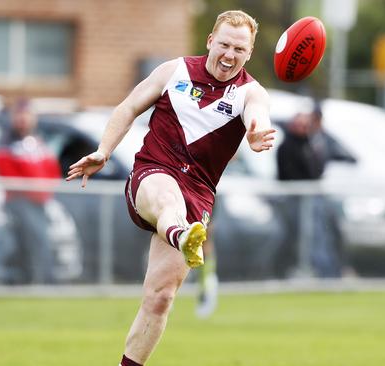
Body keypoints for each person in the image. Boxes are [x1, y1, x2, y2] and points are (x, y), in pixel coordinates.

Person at [66, 10, 274, 366]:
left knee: (160, 297)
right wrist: (104, 150)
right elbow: (128, 106)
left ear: (249, 53)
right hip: (153, 173)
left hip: (198, 195)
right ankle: (180, 235)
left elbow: (259, 116)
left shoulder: (249, 92)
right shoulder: (173, 71)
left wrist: (256, 133)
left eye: (239, 49)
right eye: (224, 44)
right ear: (210, 41)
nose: (229, 54)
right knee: (167, 198)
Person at [0, 98, 62, 284]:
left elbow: (52, 171)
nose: (23, 119)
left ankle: (39, 281)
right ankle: (41, 282)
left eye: (27, 115)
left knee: (39, 242)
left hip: (40, 203)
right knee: (32, 243)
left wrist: (44, 192)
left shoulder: (39, 142)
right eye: (19, 115)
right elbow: (9, 174)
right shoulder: (6, 144)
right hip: (19, 203)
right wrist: (36, 191)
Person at [276, 107, 342, 277]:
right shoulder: (287, 147)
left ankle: (327, 273)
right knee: (303, 238)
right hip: (297, 200)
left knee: (319, 237)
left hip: (311, 199)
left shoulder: (312, 144)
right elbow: (289, 173)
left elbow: (316, 170)